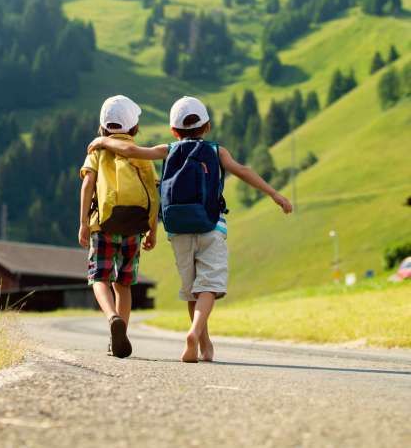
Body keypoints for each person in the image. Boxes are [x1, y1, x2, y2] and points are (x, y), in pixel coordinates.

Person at [87, 95, 292, 363]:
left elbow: (131, 151)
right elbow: (242, 170)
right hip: (211, 226)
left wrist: (102, 141)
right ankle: (194, 333)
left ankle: (204, 346)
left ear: (174, 131)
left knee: (192, 290)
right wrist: (275, 194)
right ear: (206, 127)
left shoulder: (168, 149)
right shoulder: (217, 151)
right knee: (208, 285)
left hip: (178, 229)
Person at [79, 95, 159, 358]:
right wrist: (152, 230)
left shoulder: (97, 151)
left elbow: (88, 185)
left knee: (99, 277)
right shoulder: (140, 155)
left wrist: (82, 223)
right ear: (133, 127)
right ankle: (120, 335)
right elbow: (154, 193)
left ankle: (112, 317)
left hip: (102, 224)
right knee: (123, 284)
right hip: (134, 227)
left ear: (102, 127)